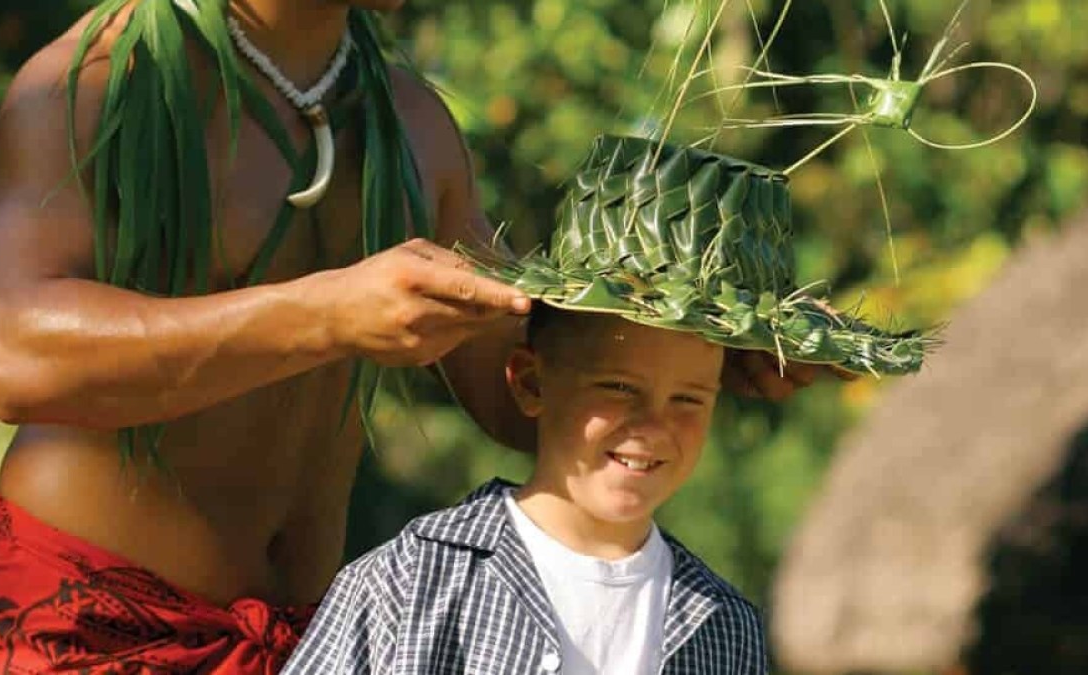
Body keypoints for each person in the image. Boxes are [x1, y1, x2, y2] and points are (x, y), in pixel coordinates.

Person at [0, 2, 819, 673]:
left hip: (319, 636)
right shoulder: (95, 83)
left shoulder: (415, 126)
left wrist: (698, 354)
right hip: (75, 624)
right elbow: (13, 355)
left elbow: (524, 398)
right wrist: (324, 312)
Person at [283, 135, 930, 674]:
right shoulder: (410, 582)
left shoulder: (725, 626)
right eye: (618, 387)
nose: (652, 425)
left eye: (687, 397)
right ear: (532, 383)